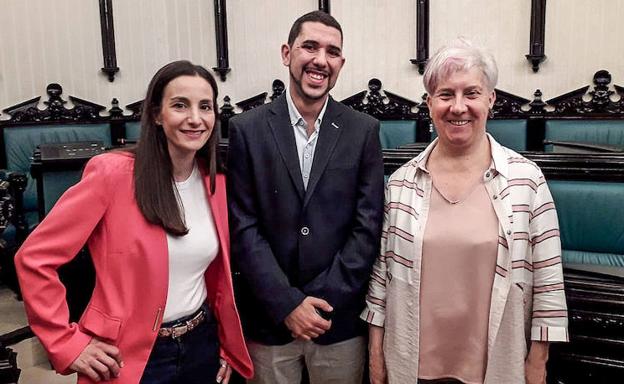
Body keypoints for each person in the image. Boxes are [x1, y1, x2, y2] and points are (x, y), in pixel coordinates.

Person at [15, 60, 253, 384]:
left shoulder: (217, 182)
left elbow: (218, 280)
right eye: (180, 105)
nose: (195, 118)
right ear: (157, 114)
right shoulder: (112, 174)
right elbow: (34, 258)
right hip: (130, 356)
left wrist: (224, 342)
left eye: (205, 106)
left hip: (201, 345)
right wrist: (67, 342)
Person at [363, 38, 568, 384]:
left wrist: (538, 362)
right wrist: (375, 354)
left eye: (471, 93)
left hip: (496, 364)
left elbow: (549, 283)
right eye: (445, 95)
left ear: (491, 99)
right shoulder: (400, 183)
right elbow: (381, 280)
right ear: (429, 104)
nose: (458, 107)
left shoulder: (526, 180)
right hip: (412, 362)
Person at [227, 10, 384, 384]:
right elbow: (242, 226)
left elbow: (368, 227)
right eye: (309, 47)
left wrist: (318, 304)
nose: (320, 60)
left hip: (337, 320)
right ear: (287, 53)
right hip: (268, 320)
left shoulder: (362, 131)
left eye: (332, 52)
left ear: (341, 63)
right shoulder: (246, 130)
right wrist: (287, 303)